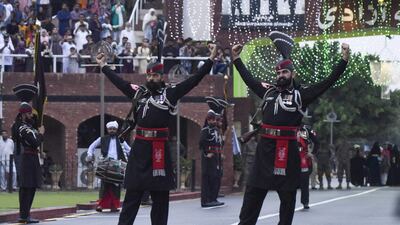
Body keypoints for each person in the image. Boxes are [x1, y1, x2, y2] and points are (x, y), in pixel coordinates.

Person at [231, 34, 349, 225]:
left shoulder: (301, 95)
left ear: (292, 74)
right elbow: (250, 81)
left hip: (287, 152)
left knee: (287, 201)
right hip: (265, 150)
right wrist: (236, 60)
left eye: (284, 73)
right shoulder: (268, 91)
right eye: (278, 73)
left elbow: (327, 82)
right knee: (252, 193)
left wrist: (343, 61)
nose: (280, 76)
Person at [96, 43, 217, 225]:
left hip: (159, 151)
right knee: (132, 198)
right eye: (149, 75)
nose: (152, 78)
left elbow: (195, 80)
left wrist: (211, 59)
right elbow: (120, 82)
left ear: (162, 77)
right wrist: (103, 66)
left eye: (155, 75)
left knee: (160, 201)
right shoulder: (139, 93)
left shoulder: (170, 93)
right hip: (139, 151)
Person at [86, 121, 131, 212]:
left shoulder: (120, 140)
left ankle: (114, 206)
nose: (112, 131)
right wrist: (90, 154)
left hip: (118, 165)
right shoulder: (102, 139)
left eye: (114, 129)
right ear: (107, 129)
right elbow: (92, 146)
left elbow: (129, 150)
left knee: (116, 186)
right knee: (104, 185)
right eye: (110, 129)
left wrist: (134, 158)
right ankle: (101, 205)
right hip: (105, 164)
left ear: (116, 129)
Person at [16, 102, 45, 223]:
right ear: (23, 114)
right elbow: (34, 142)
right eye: (28, 113)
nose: (31, 115)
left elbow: (35, 144)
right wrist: (41, 134)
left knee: (32, 186)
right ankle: (23, 216)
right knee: (26, 187)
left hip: (33, 158)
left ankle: (27, 214)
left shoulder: (31, 127)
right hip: (27, 159)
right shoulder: (23, 128)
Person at [199, 97, 227, 208]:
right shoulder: (205, 130)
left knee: (216, 177)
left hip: (217, 156)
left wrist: (220, 153)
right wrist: (207, 153)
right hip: (209, 157)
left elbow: (218, 143)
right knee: (208, 178)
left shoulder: (216, 130)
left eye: (216, 119)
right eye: (213, 119)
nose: (215, 121)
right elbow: (201, 143)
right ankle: (206, 200)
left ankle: (213, 197)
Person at [298, 125, 319, 209]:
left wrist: (312, 153)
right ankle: (288, 203)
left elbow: (316, 142)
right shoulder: (287, 126)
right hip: (289, 158)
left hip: (303, 158)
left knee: (304, 182)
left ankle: (305, 202)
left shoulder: (306, 129)